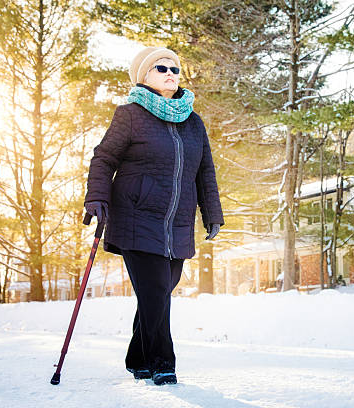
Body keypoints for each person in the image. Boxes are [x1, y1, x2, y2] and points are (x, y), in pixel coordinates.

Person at [84, 46, 224, 385]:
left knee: (159, 292)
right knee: (156, 288)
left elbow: (205, 171)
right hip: (135, 217)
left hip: (176, 224)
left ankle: (137, 358)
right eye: (161, 68)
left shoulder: (193, 122)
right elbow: (104, 159)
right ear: (143, 76)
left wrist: (212, 213)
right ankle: (163, 361)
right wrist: (97, 198)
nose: (170, 73)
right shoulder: (130, 115)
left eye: (175, 68)